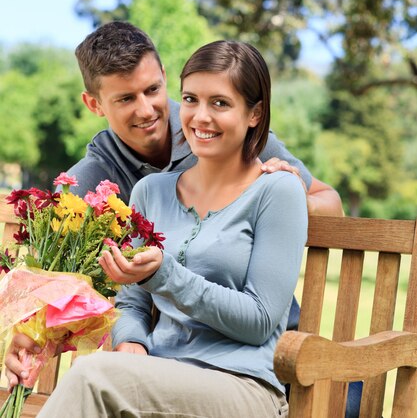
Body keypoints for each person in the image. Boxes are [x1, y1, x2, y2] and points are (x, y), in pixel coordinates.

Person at [34, 39, 309, 417]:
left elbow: (260, 322)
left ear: (255, 115)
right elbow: (130, 300)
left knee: (93, 376)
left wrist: (166, 274)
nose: (200, 117)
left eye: (221, 103)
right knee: (101, 375)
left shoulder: (278, 190)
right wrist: (130, 340)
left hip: (242, 385)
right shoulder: (151, 192)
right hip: (158, 377)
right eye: (191, 99)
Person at [64, 21, 343, 217]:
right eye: (126, 99)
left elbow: (332, 204)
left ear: (163, 75)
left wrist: (296, 201)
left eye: (152, 90)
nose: (146, 110)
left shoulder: (230, 135)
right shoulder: (89, 179)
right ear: (94, 104)